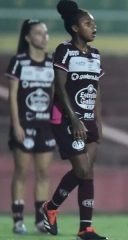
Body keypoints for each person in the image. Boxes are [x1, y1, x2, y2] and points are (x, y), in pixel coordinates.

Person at [40, 1, 107, 239]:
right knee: (83, 170)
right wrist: (75, 120)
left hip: (89, 121)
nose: (93, 27)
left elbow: (96, 90)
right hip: (66, 119)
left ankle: (79, 225)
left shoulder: (96, 55)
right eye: (88, 23)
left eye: (94, 23)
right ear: (75, 28)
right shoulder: (64, 50)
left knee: (86, 172)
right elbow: (59, 88)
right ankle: (60, 214)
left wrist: (97, 122)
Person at [5, 19, 55, 234]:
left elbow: (56, 95)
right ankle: (18, 220)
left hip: (46, 126)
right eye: (38, 33)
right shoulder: (19, 62)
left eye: (45, 33)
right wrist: (16, 124)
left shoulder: (52, 62)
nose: (44, 37)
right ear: (27, 38)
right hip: (24, 125)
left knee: (43, 173)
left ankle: (39, 220)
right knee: (21, 172)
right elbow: (13, 97)